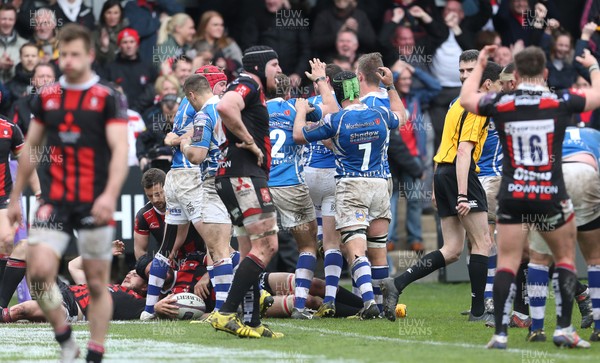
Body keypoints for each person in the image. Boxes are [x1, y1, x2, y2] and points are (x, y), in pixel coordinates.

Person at [460, 45, 600, 349]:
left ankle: (499, 334)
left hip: (513, 193)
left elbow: (466, 99)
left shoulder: (502, 102)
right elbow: (597, 95)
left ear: (517, 74)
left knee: (507, 262)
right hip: (550, 193)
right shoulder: (559, 101)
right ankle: (563, 329)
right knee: (564, 259)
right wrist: (592, 67)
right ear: (546, 73)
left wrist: (482, 65)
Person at [7, 24, 129, 362]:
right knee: (40, 272)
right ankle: (65, 337)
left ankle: (95, 353)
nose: (69, 61)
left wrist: (110, 195)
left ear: (90, 55)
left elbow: (120, 150)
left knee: (95, 280)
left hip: (94, 199)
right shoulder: (47, 97)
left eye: (77, 54)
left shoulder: (108, 96)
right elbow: (31, 146)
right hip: (56, 199)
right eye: (65, 54)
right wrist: (16, 197)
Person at [381, 51, 500, 325]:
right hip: (461, 175)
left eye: (470, 70)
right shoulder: (476, 104)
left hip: (443, 173)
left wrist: (436, 185)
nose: (464, 76)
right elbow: (462, 150)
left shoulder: (456, 103)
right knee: (483, 242)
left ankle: (397, 283)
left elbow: (443, 148)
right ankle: (479, 310)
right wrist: (461, 194)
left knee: (452, 249)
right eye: (461, 71)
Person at [294, 69, 405, 319]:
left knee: (356, 250)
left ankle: (369, 303)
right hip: (379, 185)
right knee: (378, 250)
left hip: (351, 186)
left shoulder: (337, 120)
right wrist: (391, 87)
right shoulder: (380, 113)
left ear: (339, 92)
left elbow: (300, 135)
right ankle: (381, 304)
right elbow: (402, 117)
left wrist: (301, 114)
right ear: (357, 88)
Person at [141, 68, 230, 320]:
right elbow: (191, 136)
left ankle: (148, 310)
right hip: (193, 176)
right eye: (220, 83)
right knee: (217, 244)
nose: (223, 88)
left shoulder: (184, 102)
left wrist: (173, 139)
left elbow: (176, 135)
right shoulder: (204, 106)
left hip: (175, 176)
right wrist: (178, 139)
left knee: (168, 246)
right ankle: (225, 308)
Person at [209, 45, 282, 338]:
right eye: (275, 64)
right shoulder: (249, 82)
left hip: (232, 176)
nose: (279, 70)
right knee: (268, 247)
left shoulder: (252, 87)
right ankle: (225, 313)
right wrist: (250, 141)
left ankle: (251, 322)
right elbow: (225, 106)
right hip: (244, 177)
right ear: (260, 66)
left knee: (251, 251)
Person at [265, 67, 337, 319]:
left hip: (260, 186)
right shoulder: (296, 108)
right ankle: (298, 306)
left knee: (256, 248)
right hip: (290, 185)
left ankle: (245, 300)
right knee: (307, 246)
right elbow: (331, 111)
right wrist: (319, 81)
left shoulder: (254, 111)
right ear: (288, 92)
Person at [525, 126, 599, 342]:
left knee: (539, 259)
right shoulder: (593, 135)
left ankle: (536, 329)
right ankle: (599, 329)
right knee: (595, 258)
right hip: (584, 173)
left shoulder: (546, 132)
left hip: (548, 179)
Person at [133, 168, 204, 260]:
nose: (155, 200)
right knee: (135, 273)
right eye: (150, 196)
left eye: (158, 194)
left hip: (199, 260)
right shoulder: (144, 215)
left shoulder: (188, 204)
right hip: (168, 264)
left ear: (167, 187)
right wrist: (146, 269)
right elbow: (140, 251)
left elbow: (210, 236)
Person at [101, 28, 158, 114]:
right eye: (125, 42)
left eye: (132, 42)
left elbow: (154, 89)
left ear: (137, 44)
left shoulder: (148, 67)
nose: (129, 46)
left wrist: (136, 108)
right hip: (118, 113)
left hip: (145, 114)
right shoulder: (110, 68)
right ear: (119, 45)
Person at [92, 0, 128, 66]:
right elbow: (94, 59)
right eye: (108, 13)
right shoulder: (96, 34)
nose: (112, 17)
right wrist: (104, 48)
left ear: (121, 14)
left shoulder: (128, 33)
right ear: (103, 14)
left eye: (116, 13)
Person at [0, 3, 27, 83]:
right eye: (3, 19)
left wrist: (14, 68)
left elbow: (29, 73)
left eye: (10, 19)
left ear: (15, 21)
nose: (7, 23)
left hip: (16, 92)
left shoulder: (24, 45)